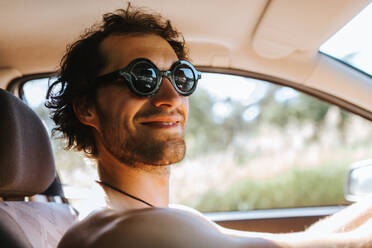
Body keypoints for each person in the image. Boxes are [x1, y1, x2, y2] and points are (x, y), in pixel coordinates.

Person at [47, 4, 372, 248]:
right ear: (87, 108)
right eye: (143, 77)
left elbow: (303, 241)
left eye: (179, 76)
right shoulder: (125, 231)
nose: (170, 96)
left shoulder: (158, 216)